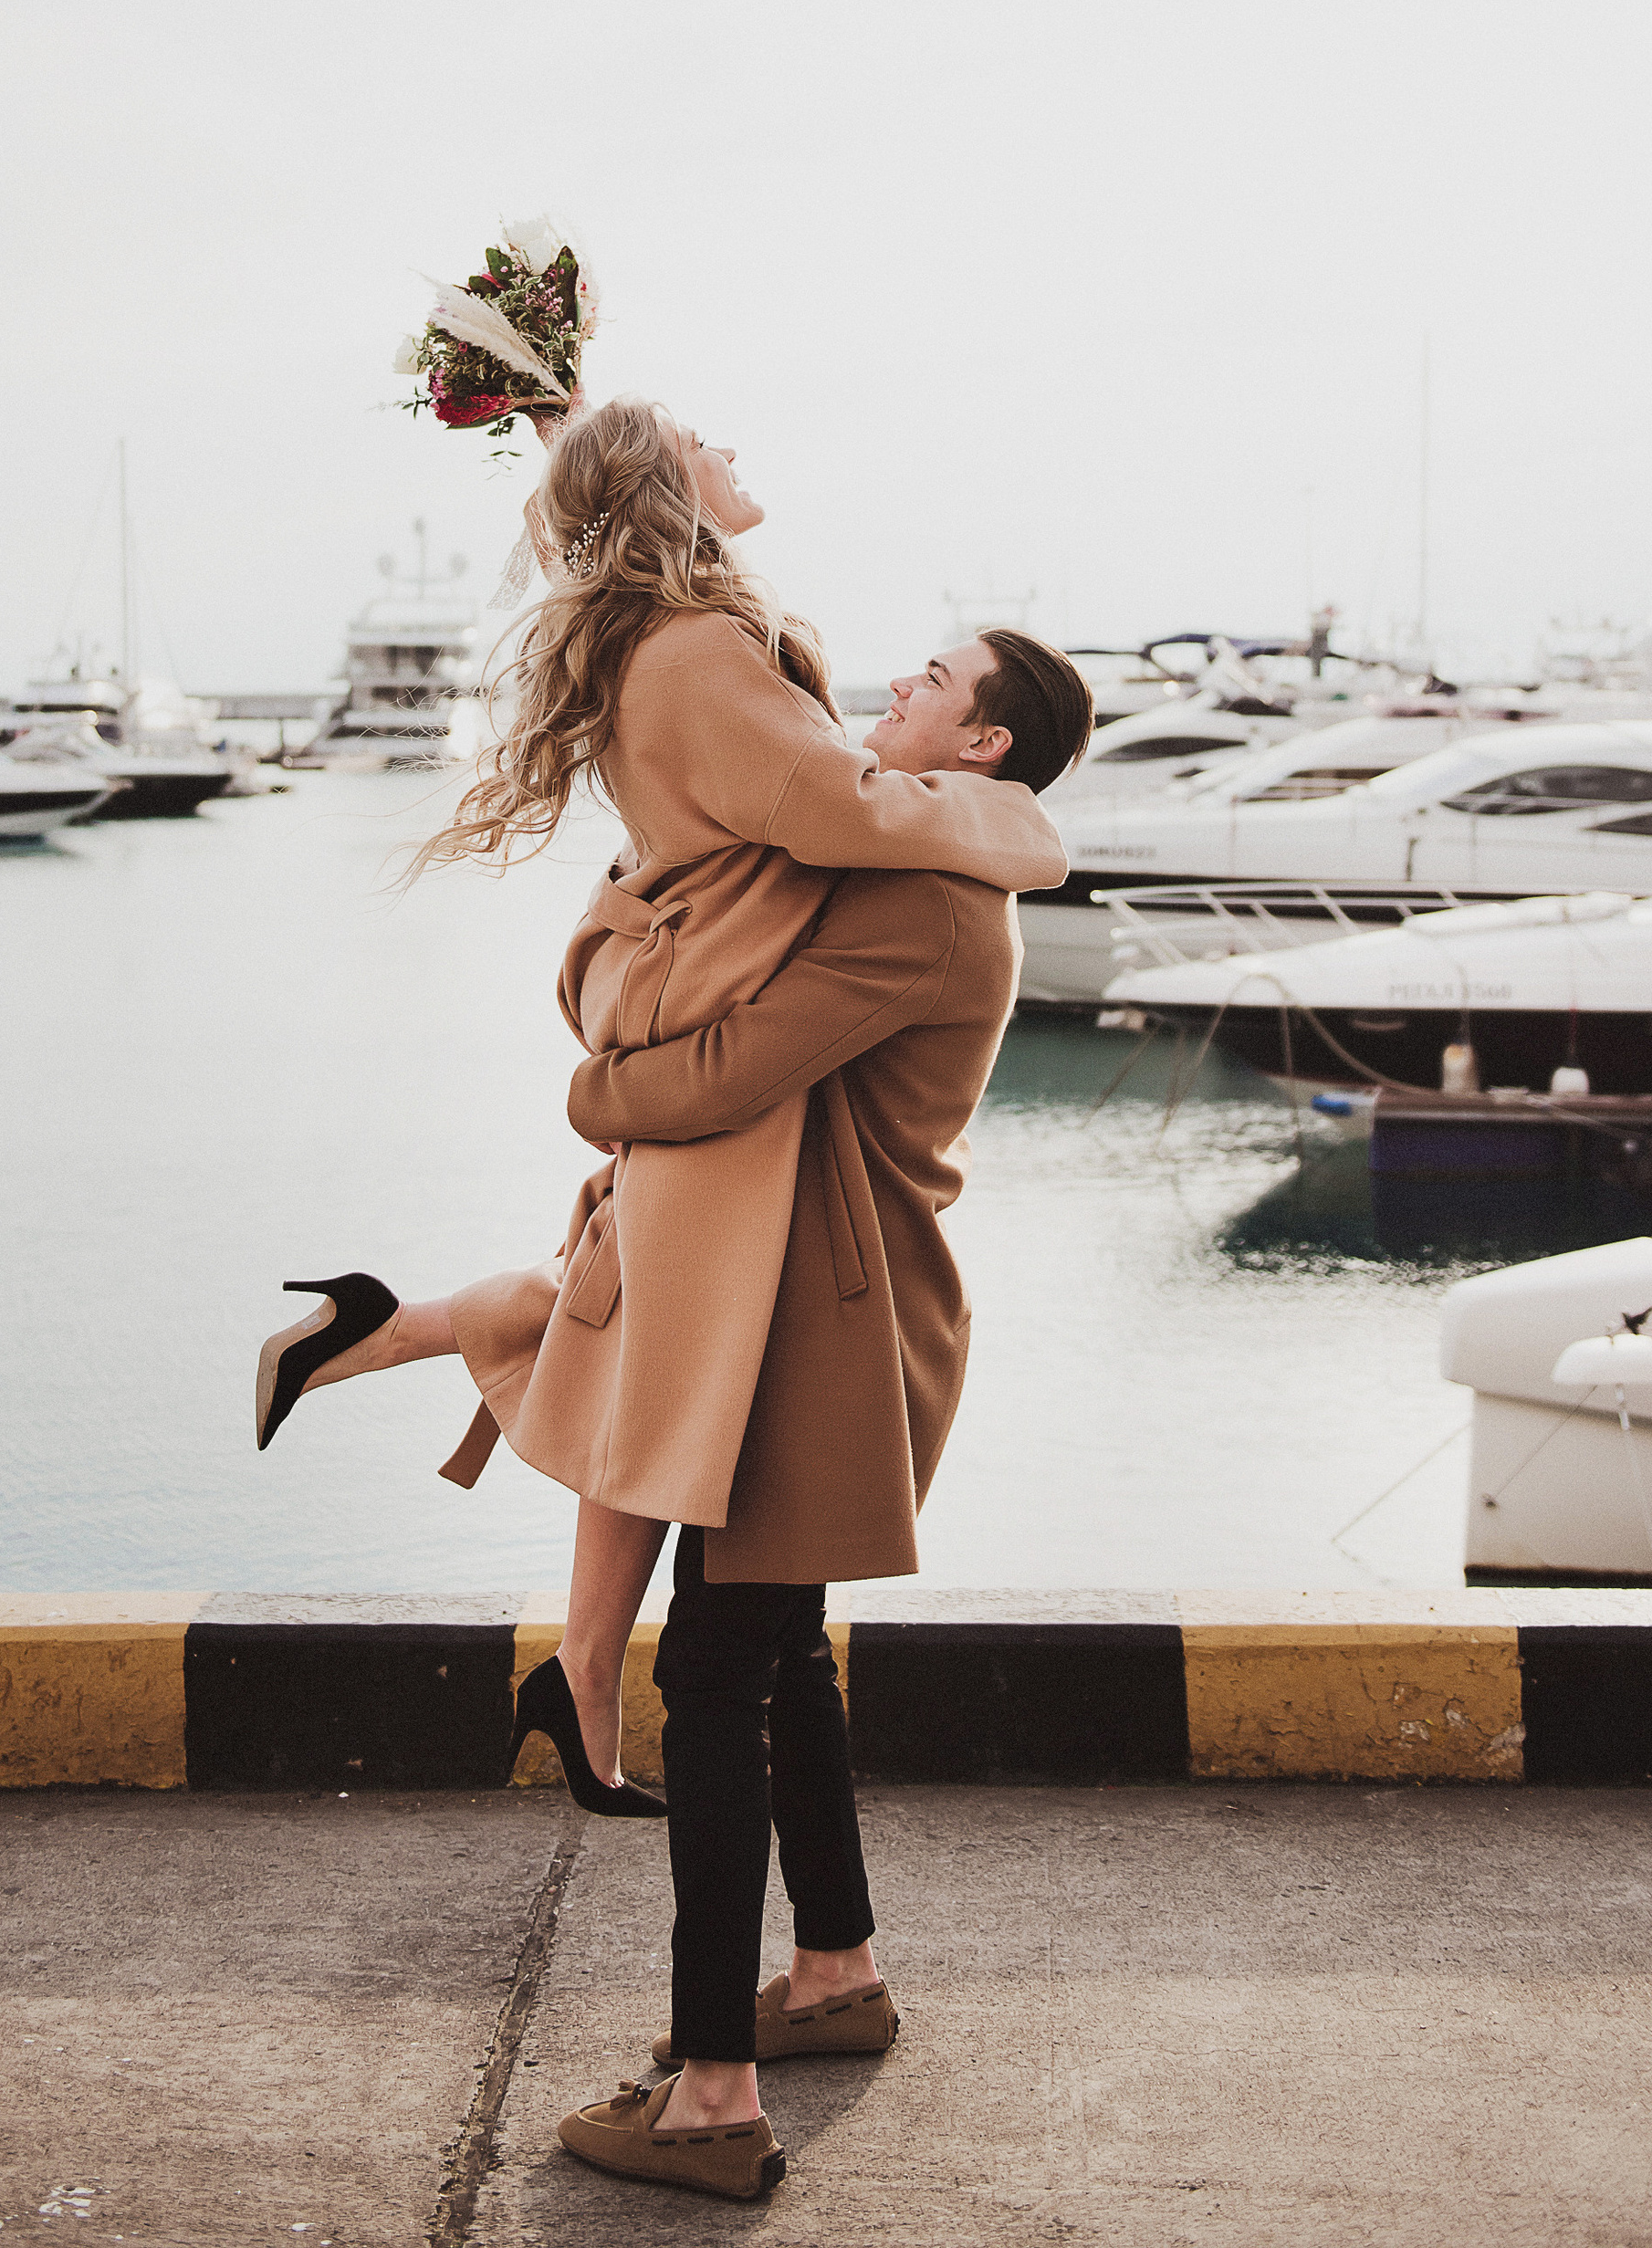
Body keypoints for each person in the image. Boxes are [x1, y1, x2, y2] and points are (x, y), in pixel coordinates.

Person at [252, 399, 1068, 1827]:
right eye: (704, 437)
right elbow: (841, 805)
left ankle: (553, 1632)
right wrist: (1020, 828)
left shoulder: (683, 629)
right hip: (712, 1027)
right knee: (653, 1368)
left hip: (705, 1007)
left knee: (630, 1341)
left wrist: (577, 418)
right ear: (666, 490)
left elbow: (801, 770)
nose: (738, 442)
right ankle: (610, 1731)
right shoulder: (698, 650)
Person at [548, 620, 1093, 2200]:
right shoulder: (907, 865)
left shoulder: (928, 906)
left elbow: (725, 1072)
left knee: (714, 1674)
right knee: (777, 1650)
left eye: (935, 681)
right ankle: (833, 1974)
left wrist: (593, 1097)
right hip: (821, 1317)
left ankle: (712, 2096)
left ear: (983, 747)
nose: (898, 684)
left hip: (834, 1339)